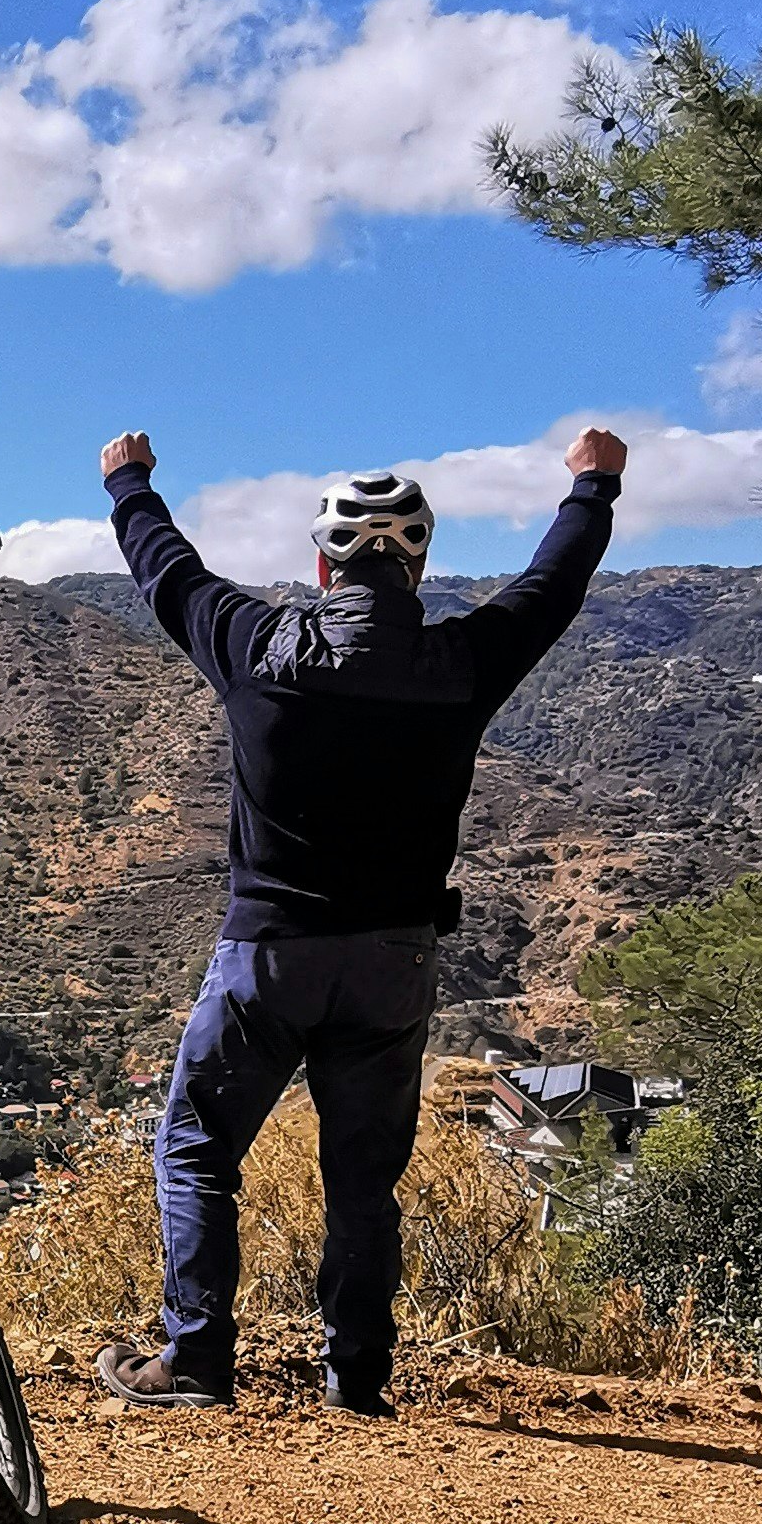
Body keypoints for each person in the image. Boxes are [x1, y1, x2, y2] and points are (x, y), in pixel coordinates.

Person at [92, 425, 627, 1417]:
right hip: (392, 961)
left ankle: (198, 1361)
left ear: (320, 562)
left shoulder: (256, 648)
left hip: (269, 958)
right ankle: (357, 1383)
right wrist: (590, 491)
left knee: (198, 1149)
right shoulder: (462, 663)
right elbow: (549, 590)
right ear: (416, 565)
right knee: (359, 1178)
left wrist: (128, 483)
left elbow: (165, 573)